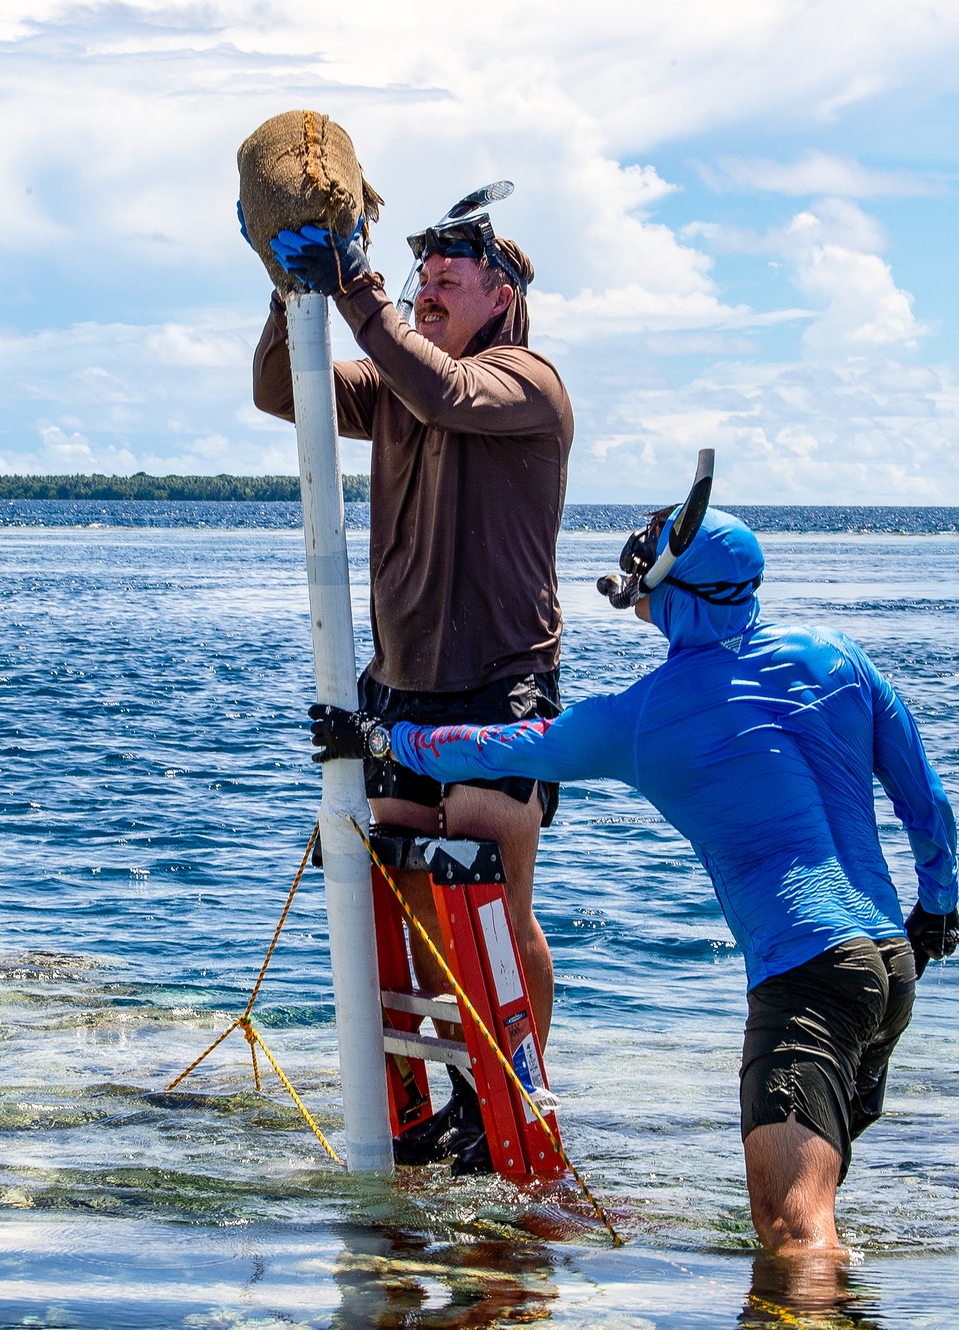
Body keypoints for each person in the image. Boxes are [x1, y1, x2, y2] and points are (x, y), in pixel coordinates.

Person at [309, 504, 958, 1255]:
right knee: (814, 1213)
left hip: (807, 975)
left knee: (793, 1236)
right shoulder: (840, 658)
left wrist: (386, 737)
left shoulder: (650, 713)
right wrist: (938, 908)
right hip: (889, 972)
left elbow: (501, 747)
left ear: (671, 591)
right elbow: (929, 806)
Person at [250, 203, 574, 1172]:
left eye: (447, 277)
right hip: (399, 691)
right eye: (417, 273)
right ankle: (437, 1098)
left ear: (500, 296)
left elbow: (446, 396)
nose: (425, 286)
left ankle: (511, 1092)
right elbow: (282, 392)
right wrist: (289, 289)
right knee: (400, 892)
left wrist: (358, 290)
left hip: (497, 690)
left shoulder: (528, 381)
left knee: (490, 905)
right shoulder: (399, 375)